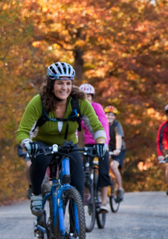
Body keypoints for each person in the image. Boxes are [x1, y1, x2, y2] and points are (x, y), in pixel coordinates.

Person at [15, 61, 107, 220]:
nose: (64, 87)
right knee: (40, 159)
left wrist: (100, 143)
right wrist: (27, 144)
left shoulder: (80, 102)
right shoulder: (39, 102)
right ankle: (36, 195)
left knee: (77, 186)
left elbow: (96, 126)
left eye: (68, 83)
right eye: (59, 83)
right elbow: (23, 131)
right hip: (43, 144)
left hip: (68, 145)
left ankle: (75, 233)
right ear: (51, 84)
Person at [79, 84, 111, 212]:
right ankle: (87, 195)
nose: (86, 98)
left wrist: (104, 144)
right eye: (83, 96)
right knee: (83, 171)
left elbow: (104, 125)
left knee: (103, 172)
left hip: (101, 142)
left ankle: (104, 201)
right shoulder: (77, 109)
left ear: (92, 97)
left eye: (89, 96)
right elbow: (75, 129)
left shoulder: (97, 107)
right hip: (88, 144)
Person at [105, 105, 125, 201]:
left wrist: (117, 148)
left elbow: (118, 137)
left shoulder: (117, 125)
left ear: (115, 117)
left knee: (113, 166)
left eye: (112, 115)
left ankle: (120, 188)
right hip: (107, 149)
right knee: (102, 166)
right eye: (108, 114)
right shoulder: (102, 124)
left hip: (118, 149)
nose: (110, 117)